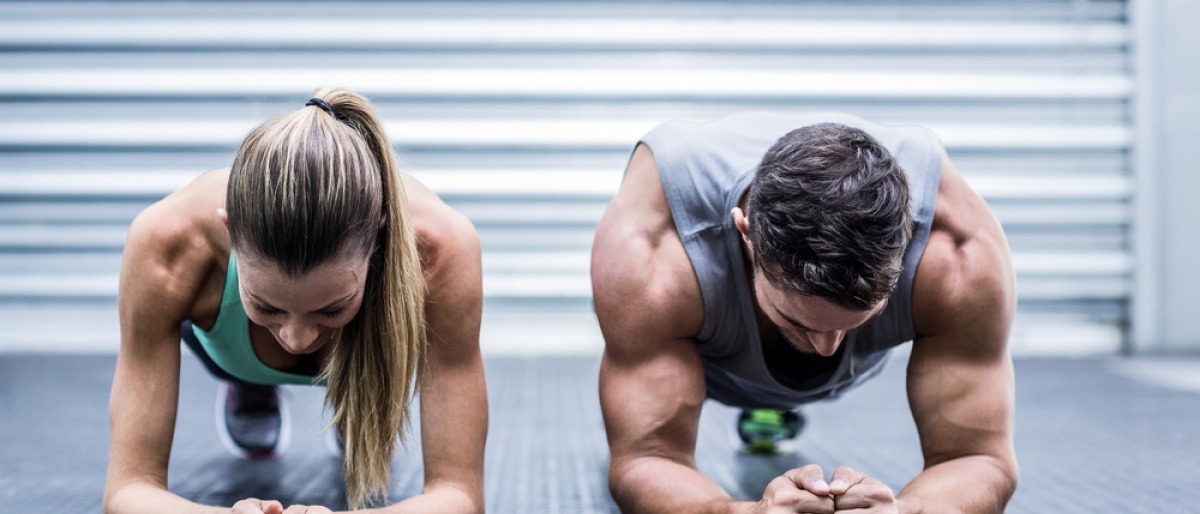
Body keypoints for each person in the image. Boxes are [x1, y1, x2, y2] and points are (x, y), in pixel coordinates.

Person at [591, 112, 1017, 513]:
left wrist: (907, 511)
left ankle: (785, 361)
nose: (827, 350)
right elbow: (647, 457)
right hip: (713, 353)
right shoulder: (653, 250)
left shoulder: (957, 253)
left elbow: (979, 456)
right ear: (746, 234)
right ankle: (765, 395)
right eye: (799, 321)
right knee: (662, 373)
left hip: (772, 318)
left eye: (859, 318)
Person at [104, 88, 487, 514]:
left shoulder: (438, 249)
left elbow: (460, 496)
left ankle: (354, 396)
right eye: (267, 306)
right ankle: (250, 380)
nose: (297, 339)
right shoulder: (167, 244)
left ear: (378, 241)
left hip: (371, 341)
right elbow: (127, 491)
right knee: (261, 330)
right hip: (228, 344)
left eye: (330, 308)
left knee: (361, 422)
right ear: (230, 234)